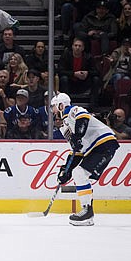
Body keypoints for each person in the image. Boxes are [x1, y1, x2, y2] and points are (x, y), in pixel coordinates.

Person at [51, 93, 119, 226]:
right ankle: (87, 211)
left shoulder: (74, 110)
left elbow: (83, 120)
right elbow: (77, 151)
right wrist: (66, 170)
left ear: (60, 105)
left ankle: (87, 212)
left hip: (104, 144)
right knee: (78, 173)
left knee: (80, 174)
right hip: (96, 149)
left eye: (53, 106)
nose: (52, 110)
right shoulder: (64, 128)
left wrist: (78, 136)